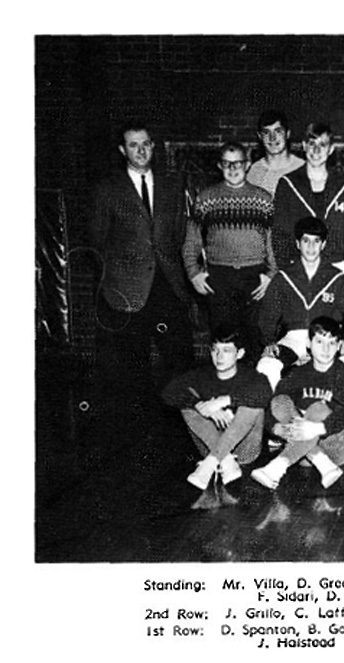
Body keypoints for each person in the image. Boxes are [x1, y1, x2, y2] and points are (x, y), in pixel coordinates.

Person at [90, 121, 194, 402]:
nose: (141, 151)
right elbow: (98, 240)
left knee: (179, 359)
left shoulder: (171, 186)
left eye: (145, 144)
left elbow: (179, 232)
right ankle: (139, 420)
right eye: (133, 145)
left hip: (167, 283)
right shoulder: (108, 189)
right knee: (133, 369)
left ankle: (180, 420)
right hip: (127, 289)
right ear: (122, 150)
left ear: (153, 146)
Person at [184, 142, 276, 360]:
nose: (233, 169)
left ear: (247, 164)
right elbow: (191, 242)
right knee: (223, 340)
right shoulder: (206, 199)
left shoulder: (264, 199)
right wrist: (193, 273)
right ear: (219, 165)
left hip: (254, 276)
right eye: (227, 163)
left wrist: (272, 274)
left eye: (238, 163)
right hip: (220, 277)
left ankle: (253, 380)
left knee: (255, 338)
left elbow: (273, 242)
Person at [161, 324, 272, 490]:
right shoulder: (201, 375)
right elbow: (168, 392)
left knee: (253, 405)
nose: (219, 356)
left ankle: (211, 463)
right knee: (187, 404)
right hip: (209, 446)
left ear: (239, 354)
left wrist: (224, 401)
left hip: (244, 451)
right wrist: (199, 404)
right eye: (215, 350)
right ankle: (224, 460)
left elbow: (266, 394)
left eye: (226, 351)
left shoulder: (252, 377)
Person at [250, 317, 344, 490]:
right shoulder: (298, 374)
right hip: (304, 455)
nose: (326, 349)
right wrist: (275, 427)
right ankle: (322, 462)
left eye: (332, 343)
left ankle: (278, 466)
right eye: (319, 342)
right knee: (280, 400)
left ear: (338, 346)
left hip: (336, 445)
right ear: (308, 343)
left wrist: (316, 427)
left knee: (318, 408)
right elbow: (273, 404)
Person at [257, 216, 344, 389]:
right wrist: (269, 342)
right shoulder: (283, 278)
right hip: (294, 339)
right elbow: (268, 316)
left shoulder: (336, 278)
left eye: (316, 241)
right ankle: (279, 404)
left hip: (326, 339)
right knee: (266, 366)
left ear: (323, 244)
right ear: (298, 244)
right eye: (306, 241)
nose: (311, 247)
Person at [272, 122, 344, 278]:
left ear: (331, 149)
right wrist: (286, 269)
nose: (316, 151)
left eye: (322, 145)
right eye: (312, 144)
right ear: (304, 146)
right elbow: (280, 233)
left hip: (336, 265)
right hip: (299, 266)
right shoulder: (288, 184)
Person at [245, 110, 304, 196]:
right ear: (260, 136)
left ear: (287, 134)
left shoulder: (301, 168)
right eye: (266, 132)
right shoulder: (254, 172)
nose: (272, 138)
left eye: (278, 131)